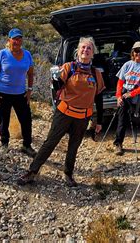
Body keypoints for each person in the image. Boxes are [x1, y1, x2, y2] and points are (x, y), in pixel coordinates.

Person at [17, 36, 105, 187]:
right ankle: (32, 171)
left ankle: (68, 174)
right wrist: (56, 79)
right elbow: (58, 87)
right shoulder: (68, 67)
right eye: (83, 47)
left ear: (93, 53)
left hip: (82, 117)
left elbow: (99, 98)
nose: (86, 50)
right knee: (50, 142)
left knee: (74, 146)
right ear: (78, 51)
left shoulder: (96, 73)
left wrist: (99, 121)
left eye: (89, 48)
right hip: (64, 113)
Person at [0, 28, 36, 156]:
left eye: (19, 38)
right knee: (4, 120)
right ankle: (4, 144)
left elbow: (31, 74)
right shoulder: (2, 54)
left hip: (20, 94)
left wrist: (29, 91)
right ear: (9, 40)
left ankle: (27, 145)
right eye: (14, 38)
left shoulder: (27, 55)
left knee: (26, 119)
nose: (17, 41)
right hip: (2, 93)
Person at [113, 41, 140, 155]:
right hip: (125, 95)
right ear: (133, 52)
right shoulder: (127, 65)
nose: (139, 53)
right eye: (137, 51)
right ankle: (118, 144)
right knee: (122, 121)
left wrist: (133, 93)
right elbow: (120, 82)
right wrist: (118, 96)